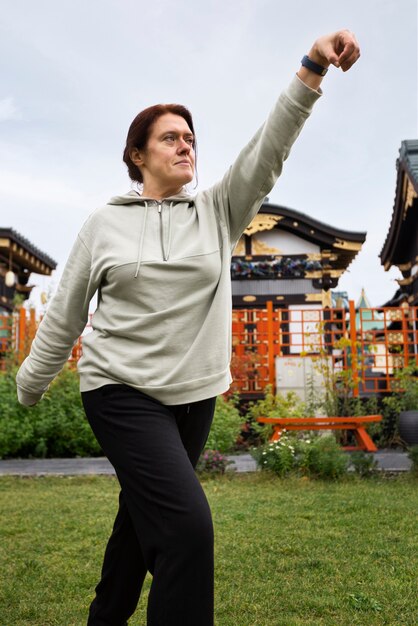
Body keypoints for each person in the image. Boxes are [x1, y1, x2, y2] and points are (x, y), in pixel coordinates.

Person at [16, 29, 360, 626]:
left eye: (191, 139)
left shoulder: (218, 212)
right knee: (186, 530)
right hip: (120, 391)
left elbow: (267, 150)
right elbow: (66, 310)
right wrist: (29, 386)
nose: (185, 147)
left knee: (138, 523)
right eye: (170, 138)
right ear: (138, 155)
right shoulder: (104, 224)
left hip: (193, 397)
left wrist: (311, 68)